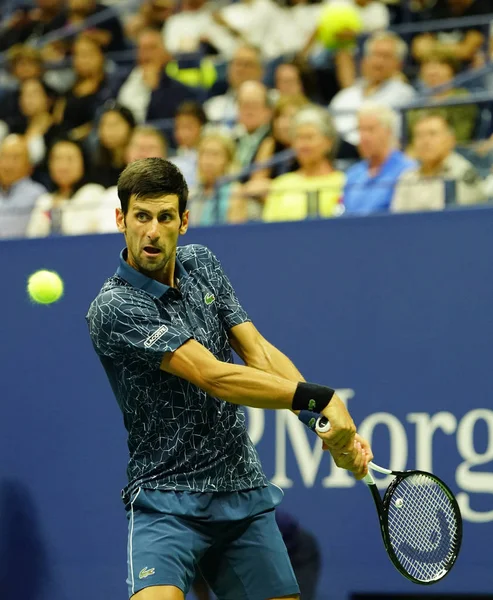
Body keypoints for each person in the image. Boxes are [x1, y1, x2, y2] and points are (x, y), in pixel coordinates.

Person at [85, 156, 372, 600]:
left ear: (184, 221)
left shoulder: (202, 263)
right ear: (121, 219)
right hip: (165, 499)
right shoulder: (114, 308)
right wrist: (320, 399)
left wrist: (324, 426)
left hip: (241, 493)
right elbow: (214, 376)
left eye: (165, 217)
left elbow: (257, 351)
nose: (152, 231)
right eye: (141, 217)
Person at [329, 31, 416, 156]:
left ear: (399, 64)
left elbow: (396, 136)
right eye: (374, 55)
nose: (378, 62)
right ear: (365, 59)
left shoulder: (404, 95)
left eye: (386, 56)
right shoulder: (344, 96)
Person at [262, 106, 345, 222]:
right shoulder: (281, 185)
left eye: (309, 137)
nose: (303, 145)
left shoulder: (343, 183)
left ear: (328, 142)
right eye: (299, 138)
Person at [392, 112, 487, 213]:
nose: (425, 141)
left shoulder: (463, 173)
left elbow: (464, 218)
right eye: (419, 135)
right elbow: (397, 221)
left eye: (432, 134)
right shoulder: (406, 177)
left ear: (450, 140)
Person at [342, 103, 416, 214]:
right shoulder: (352, 174)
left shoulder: (408, 171)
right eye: (360, 130)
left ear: (388, 132)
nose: (364, 137)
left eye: (370, 130)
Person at [117, 28, 198, 123]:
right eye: (142, 48)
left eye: (152, 48)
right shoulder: (120, 78)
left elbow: (164, 121)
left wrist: (155, 89)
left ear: (165, 52)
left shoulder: (178, 86)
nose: (146, 54)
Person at [97, 125, 169, 233]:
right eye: (138, 147)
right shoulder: (111, 197)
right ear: (126, 154)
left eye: (151, 148)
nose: (143, 153)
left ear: (164, 155)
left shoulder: (175, 196)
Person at [26, 139, 105, 236]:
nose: (63, 166)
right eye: (57, 159)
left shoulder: (93, 193)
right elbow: (33, 239)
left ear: (83, 163)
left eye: (70, 159)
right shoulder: (43, 200)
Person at [406, 50, 477, 144]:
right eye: (427, 66)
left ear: (452, 70)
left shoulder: (462, 99)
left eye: (439, 66)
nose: (432, 72)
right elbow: (409, 140)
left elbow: (460, 139)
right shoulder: (415, 101)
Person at [53, 35, 112, 141]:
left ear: (101, 55)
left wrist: (75, 136)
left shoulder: (110, 87)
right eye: (77, 55)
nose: (81, 60)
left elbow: (103, 119)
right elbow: (57, 119)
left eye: (87, 54)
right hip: (65, 141)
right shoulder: (69, 90)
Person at [412, 0, 489, 67]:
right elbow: (420, 48)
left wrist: (434, 47)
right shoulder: (439, 6)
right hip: (437, 66)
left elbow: (466, 50)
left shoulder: (480, 7)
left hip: (466, 72)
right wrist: (456, 49)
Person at [187, 130, 241, 226]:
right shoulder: (191, 194)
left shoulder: (235, 192)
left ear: (228, 160)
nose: (208, 161)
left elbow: (235, 235)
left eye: (215, 154)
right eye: (204, 154)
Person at [203, 45, 264, 126]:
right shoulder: (213, 108)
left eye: (248, 64)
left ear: (261, 71)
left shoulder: (274, 105)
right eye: (237, 64)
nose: (241, 69)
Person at [0, 135, 46, 239]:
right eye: (4, 157)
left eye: (15, 158)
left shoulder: (39, 195)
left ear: (28, 165)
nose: (8, 164)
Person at [91, 103, 137, 188]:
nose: (108, 130)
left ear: (130, 126)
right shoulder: (97, 162)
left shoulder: (139, 160)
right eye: (104, 125)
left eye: (115, 124)